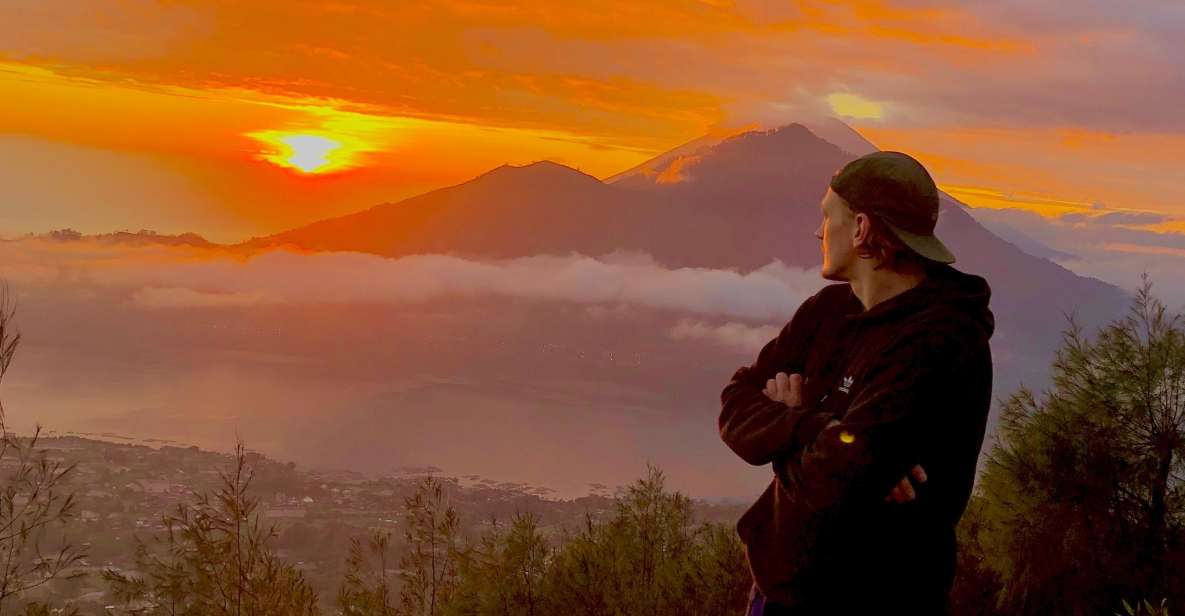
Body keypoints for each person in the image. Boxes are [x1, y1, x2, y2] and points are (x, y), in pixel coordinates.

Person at [718, 151, 995, 615]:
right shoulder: (827, 312)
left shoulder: (944, 340)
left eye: (828, 216)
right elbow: (734, 402)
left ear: (862, 229)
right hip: (777, 594)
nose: (818, 231)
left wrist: (797, 432)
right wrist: (812, 430)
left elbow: (843, 476)